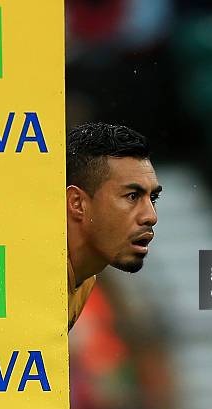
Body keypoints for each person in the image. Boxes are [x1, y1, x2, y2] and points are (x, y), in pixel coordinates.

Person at [66, 122, 161, 330]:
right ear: (77, 203)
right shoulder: (30, 274)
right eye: (132, 196)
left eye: (153, 197)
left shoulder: (86, 275)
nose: (151, 217)